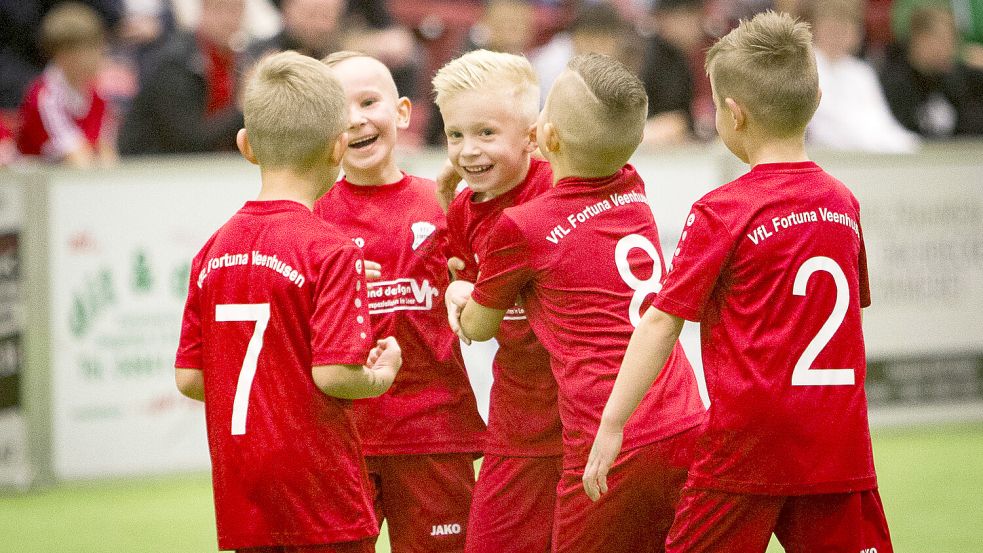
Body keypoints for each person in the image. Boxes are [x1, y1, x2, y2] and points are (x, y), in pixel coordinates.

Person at [583, 11, 894, 553]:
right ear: (816, 101)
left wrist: (612, 426)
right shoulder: (843, 203)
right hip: (837, 441)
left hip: (747, 446)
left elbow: (660, 320)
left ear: (732, 114)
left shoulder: (724, 210)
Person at [447, 53, 706, 553]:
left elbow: (477, 326)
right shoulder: (633, 186)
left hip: (603, 430)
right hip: (681, 416)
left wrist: (460, 293)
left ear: (545, 136)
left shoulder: (524, 225)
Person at [174, 50, 402, 553]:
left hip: (243, 490)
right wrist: (382, 375)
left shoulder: (211, 251)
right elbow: (335, 374)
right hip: (321, 494)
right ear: (338, 147)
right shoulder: (329, 248)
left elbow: (190, 378)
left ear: (245, 146)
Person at [312, 51, 486, 553]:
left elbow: (483, 304)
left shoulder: (444, 202)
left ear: (403, 112)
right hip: (343, 439)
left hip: (434, 433)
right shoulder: (311, 217)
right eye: (340, 111)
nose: (356, 119)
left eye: (369, 102)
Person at [432, 49, 562, 553]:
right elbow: (468, 297)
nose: (468, 151)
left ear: (532, 136)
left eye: (486, 133)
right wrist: (456, 290)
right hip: (519, 411)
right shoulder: (462, 207)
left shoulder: (559, 187)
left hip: (584, 406)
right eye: (455, 135)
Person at [118, 0, 249, 155]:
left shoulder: (237, 60)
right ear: (203, 10)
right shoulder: (174, 62)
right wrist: (243, 108)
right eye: (219, 9)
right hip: (151, 166)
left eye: (236, 10)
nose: (228, 19)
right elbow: (189, 139)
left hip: (203, 165)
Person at [806, 0, 921, 152]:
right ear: (815, 28)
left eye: (844, 28)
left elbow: (882, 121)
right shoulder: (804, 69)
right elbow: (827, 127)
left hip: (868, 154)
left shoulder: (862, 73)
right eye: (831, 28)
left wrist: (908, 143)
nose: (837, 35)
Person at [16, 2, 117, 167]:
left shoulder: (98, 96)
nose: (99, 55)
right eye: (90, 49)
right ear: (64, 55)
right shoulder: (45, 97)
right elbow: (77, 159)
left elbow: (107, 153)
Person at [880, 5, 983, 138]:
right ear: (917, 40)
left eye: (952, 41)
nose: (948, 49)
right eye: (940, 40)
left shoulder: (960, 79)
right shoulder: (893, 85)